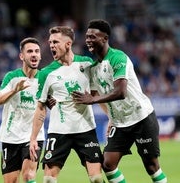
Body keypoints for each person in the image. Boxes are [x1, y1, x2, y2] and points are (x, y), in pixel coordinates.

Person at [72, 19, 168, 183]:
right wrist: (110, 116)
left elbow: (120, 92)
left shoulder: (118, 58)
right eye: (87, 36)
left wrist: (92, 99)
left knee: (151, 166)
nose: (88, 40)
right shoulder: (93, 68)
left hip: (141, 118)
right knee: (108, 163)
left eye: (93, 36)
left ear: (105, 38)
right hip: (120, 123)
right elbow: (98, 95)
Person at [29, 26, 104, 183]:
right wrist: (33, 138)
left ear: (68, 44)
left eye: (56, 42)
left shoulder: (86, 64)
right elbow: (41, 107)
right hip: (59, 131)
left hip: (86, 129)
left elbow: (96, 95)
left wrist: (110, 117)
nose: (51, 45)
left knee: (97, 178)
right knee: (49, 180)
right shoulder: (46, 73)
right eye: (50, 42)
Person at [0, 37, 45, 183]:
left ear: (40, 55)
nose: (34, 54)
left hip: (33, 137)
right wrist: (15, 91)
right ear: (22, 56)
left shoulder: (44, 78)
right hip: (10, 136)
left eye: (36, 51)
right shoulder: (12, 77)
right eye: (29, 51)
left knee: (28, 175)